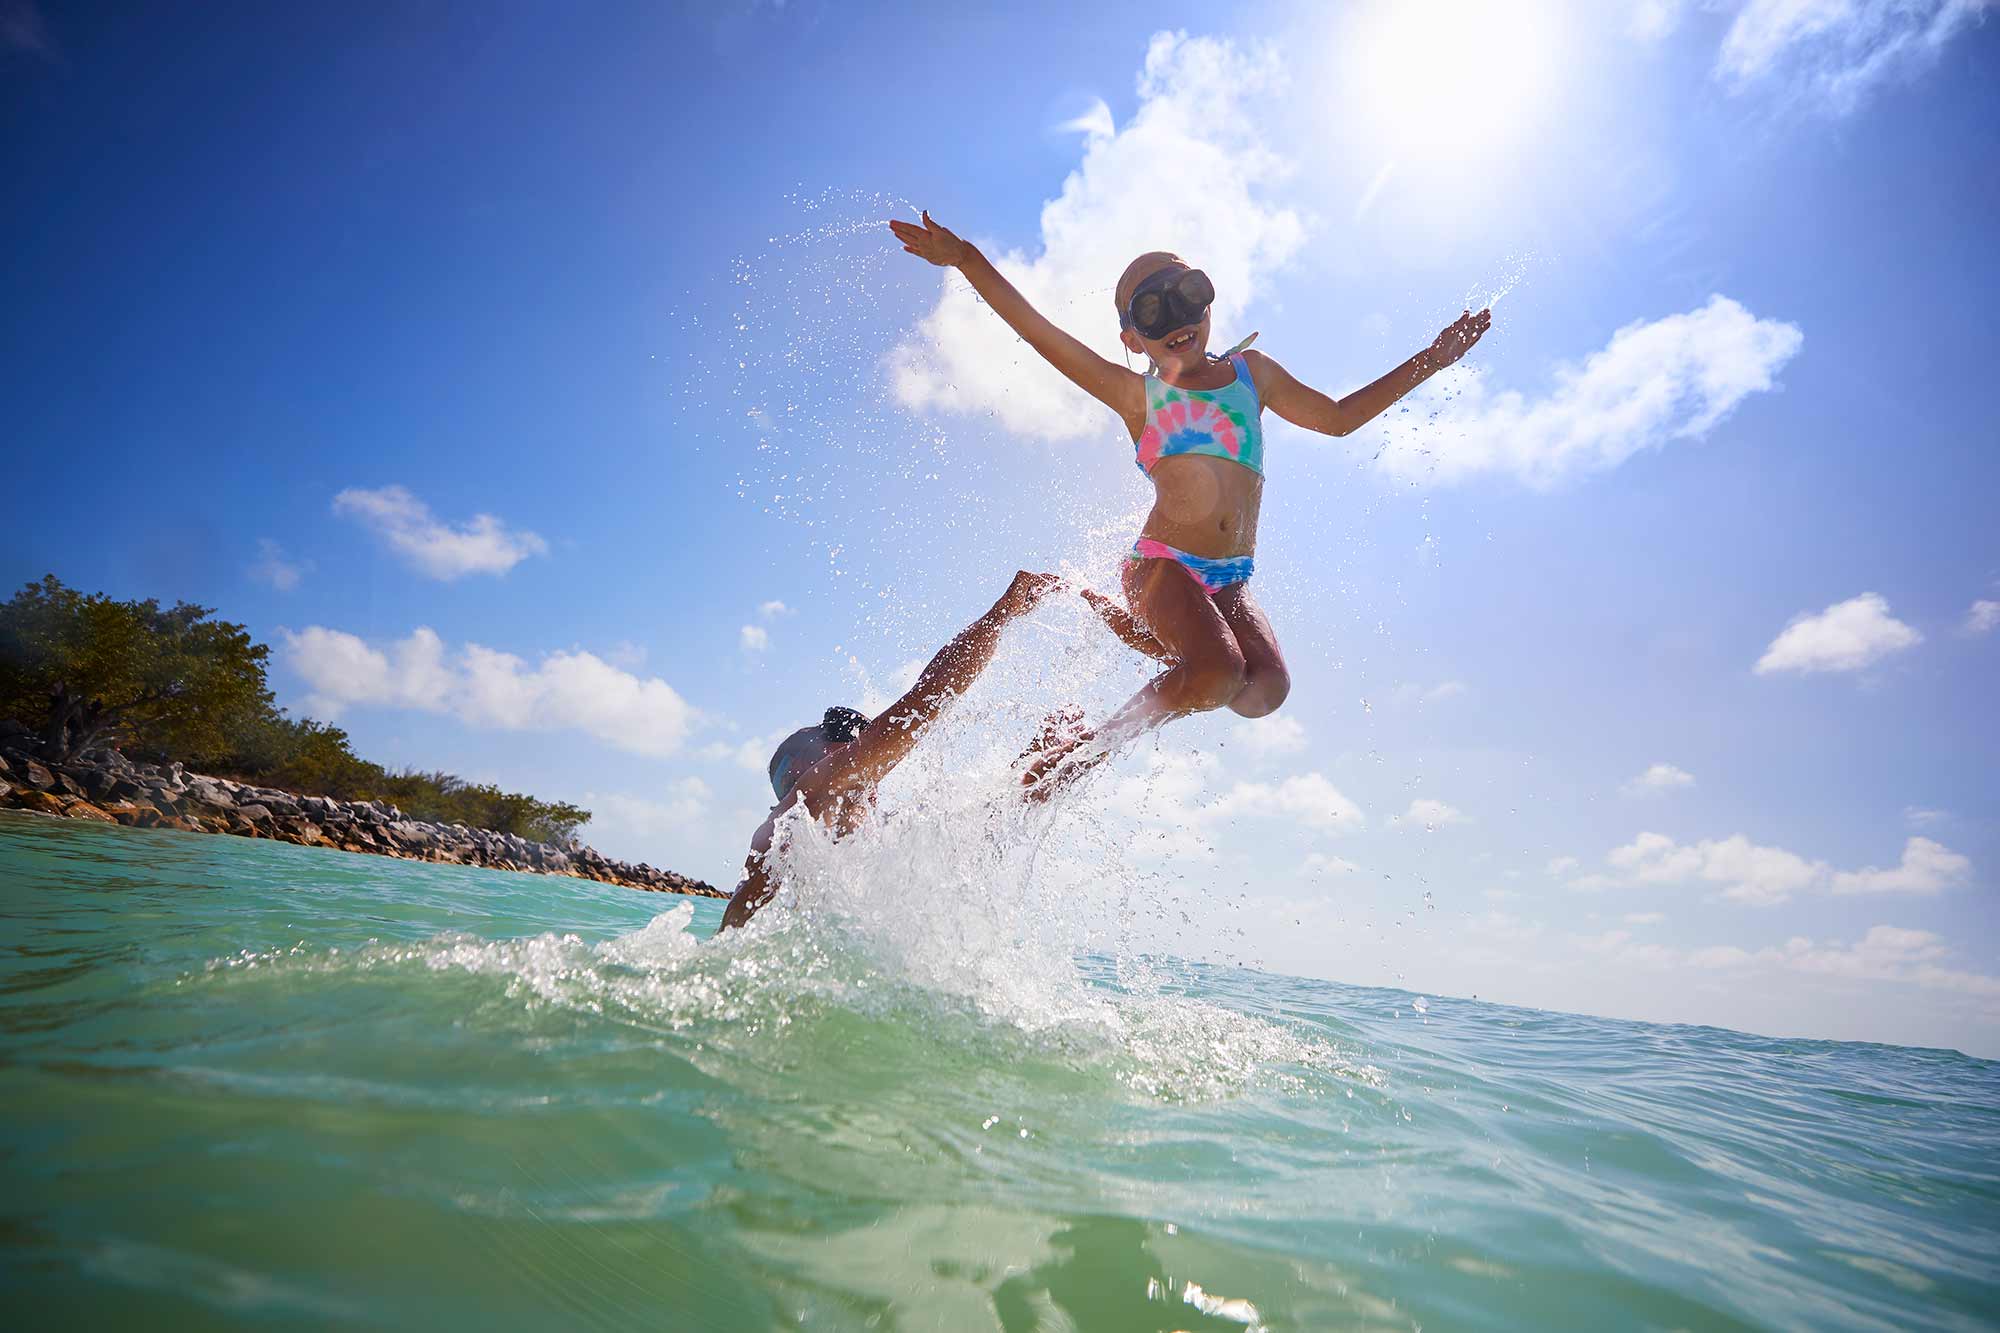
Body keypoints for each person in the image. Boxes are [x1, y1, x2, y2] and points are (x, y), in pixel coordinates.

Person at [888, 212, 1491, 794]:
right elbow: (1040, 332)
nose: (1176, 319)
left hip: (1229, 579)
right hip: (1161, 566)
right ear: (1131, 337)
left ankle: (1124, 660)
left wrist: (1432, 360)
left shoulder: (1253, 375)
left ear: (1206, 304)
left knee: (1264, 690)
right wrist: (966, 259)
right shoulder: (1136, 396)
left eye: (1186, 297)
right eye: (1153, 311)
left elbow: (1336, 420)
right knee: (1217, 673)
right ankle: (1081, 755)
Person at [719, 570, 1059, 929]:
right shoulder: (799, 816)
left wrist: (1042, 760)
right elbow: (925, 701)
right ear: (804, 770)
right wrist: (1000, 615)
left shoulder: (862, 851)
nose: (871, 770)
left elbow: (981, 820)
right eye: (851, 751)